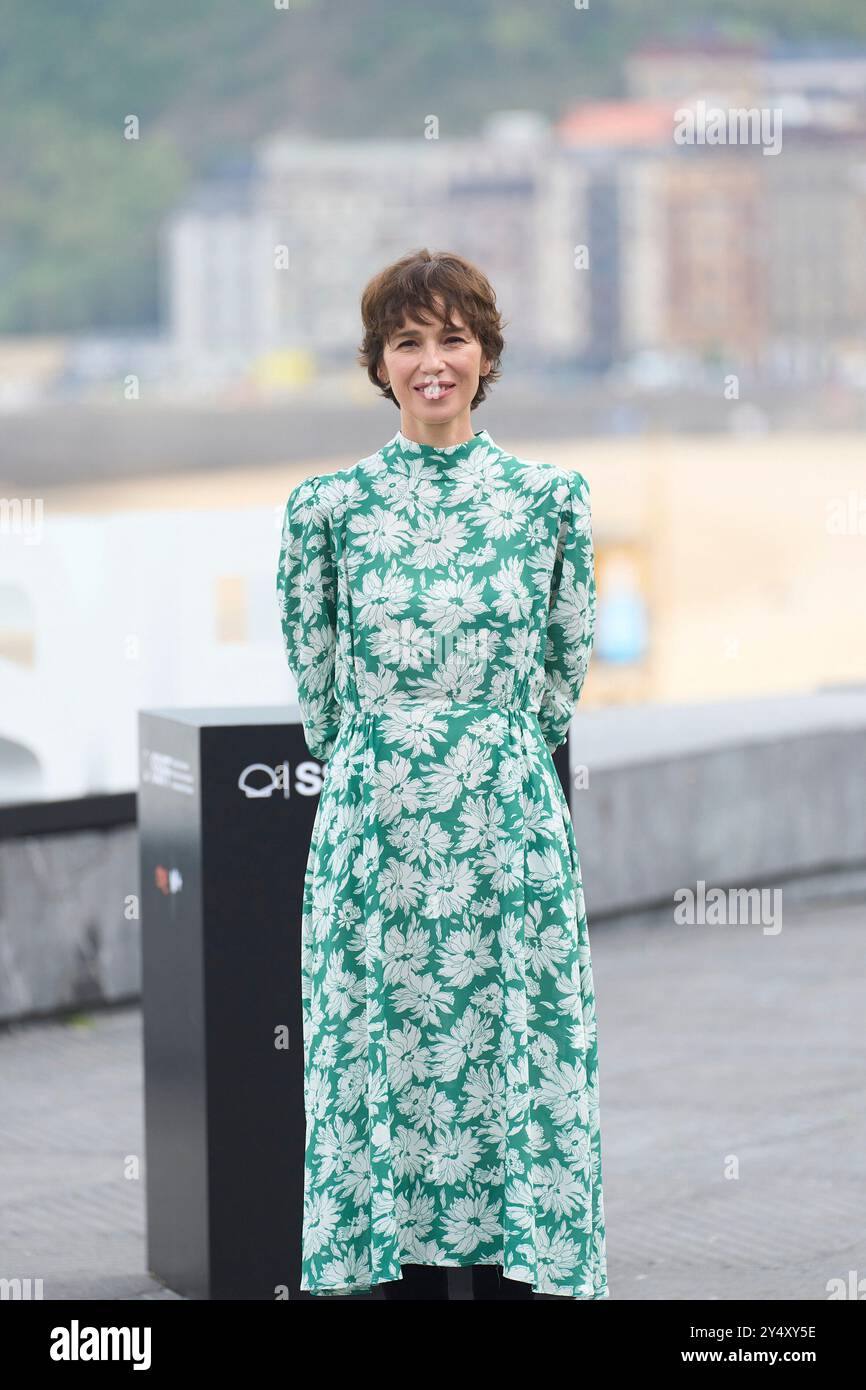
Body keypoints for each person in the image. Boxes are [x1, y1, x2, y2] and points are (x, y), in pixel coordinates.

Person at [276, 248, 607, 1301]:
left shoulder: (549, 499)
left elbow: (559, 676)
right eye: (407, 341)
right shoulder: (322, 509)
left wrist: (481, 746)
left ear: (484, 353)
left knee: (515, 1055)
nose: (431, 362)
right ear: (376, 363)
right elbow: (317, 693)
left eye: (451, 337)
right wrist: (405, 752)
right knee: (381, 1057)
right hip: (375, 830)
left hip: (508, 822)